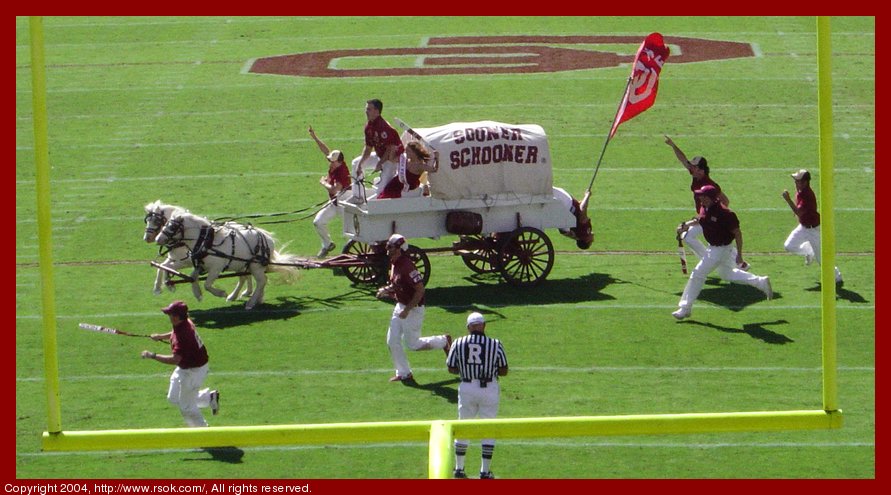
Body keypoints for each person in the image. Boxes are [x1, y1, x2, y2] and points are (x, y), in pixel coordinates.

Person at [673, 185, 773, 320]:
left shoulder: (726, 214)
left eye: (703, 196)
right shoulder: (705, 207)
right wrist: (685, 225)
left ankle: (685, 308)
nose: (700, 198)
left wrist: (740, 255)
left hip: (720, 249)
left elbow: (737, 233)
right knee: (727, 274)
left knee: (698, 274)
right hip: (714, 248)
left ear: (711, 198)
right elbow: (699, 219)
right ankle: (760, 282)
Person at [376, 233, 451, 382]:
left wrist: (407, 309)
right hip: (401, 305)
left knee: (413, 345)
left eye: (391, 246)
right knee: (392, 341)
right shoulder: (394, 262)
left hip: (413, 309)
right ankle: (404, 373)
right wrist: (387, 290)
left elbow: (420, 290)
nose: (387, 248)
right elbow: (397, 283)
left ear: (399, 249)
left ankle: (444, 341)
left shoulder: (407, 266)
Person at [446, 312, 509, 480]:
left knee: (463, 426)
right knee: (488, 428)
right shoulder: (495, 344)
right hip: (489, 388)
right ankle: (484, 471)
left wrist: (466, 367)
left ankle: (459, 469)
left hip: (467, 386)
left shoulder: (458, 343)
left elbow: (451, 368)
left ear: (468, 328)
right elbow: (504, 370)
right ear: (484, 325)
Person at [141, 301, 219, 427]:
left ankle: (203, 432)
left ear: (177, 317)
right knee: (173, 398)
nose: (168, 316)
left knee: (187, 407)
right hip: (186, 367)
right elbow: (174, 333)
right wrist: (160, 336)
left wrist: (153, 356)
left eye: (170, 314)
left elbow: (175, 359)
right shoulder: (185, 322)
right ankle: (208, 398)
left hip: (194, 371)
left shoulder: (183, 336)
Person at [664, 135, 739, 265]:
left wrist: (713, 213)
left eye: (694, 167)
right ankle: (736, 263)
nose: (690, 168)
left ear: (701, 170)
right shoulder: (695, 176)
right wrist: (673, 145)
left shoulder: (710, 185)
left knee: (689, 236)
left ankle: (711, 262)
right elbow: (683, 160)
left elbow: (725, 201)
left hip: (709, 218)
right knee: (719, 246)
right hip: (703, 217)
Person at [782, 169, 843, 286]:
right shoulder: (801, 190)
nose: (795, 182)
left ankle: (837, 276)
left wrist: (788, 200)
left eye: (798, 181)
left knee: (821, 259)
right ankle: (809, 251)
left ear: (805, 182)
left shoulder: (807, 196)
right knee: (789, 246)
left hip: (813, 229)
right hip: (803, 226)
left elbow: (799, 212)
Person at [308, 126, 352, 257]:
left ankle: (352, 256)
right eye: (330, 161)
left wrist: (324, 183)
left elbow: (334, 189)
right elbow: (325, 150)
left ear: (340, 161)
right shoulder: (335, 164)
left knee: (350, 234)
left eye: (333, 162)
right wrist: (314, 137)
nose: (330, 163)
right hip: (334, 202)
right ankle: (327, 244)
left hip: (345, 205)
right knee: (318, 222)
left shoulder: (342, 172)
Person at [350, 99, 405, 202]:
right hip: (381, 156)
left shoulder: (384, 127)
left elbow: (390, 149)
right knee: (356, 163)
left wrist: (380, 163)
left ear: (377, 111)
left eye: (369, 109)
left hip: (392, 159)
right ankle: (359, 196)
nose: (366, 112)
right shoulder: (369, 127)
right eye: (366, 109)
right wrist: (361, 164)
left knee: (382, 187)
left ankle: (375, 202)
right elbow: (368, 147)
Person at [374, 141, 439, 199]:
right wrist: (393, 149)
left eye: (408, 151)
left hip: (408, 185)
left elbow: (434, 170)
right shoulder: (405, 160)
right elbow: (392, 159)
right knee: (387, 192)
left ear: (414, 152)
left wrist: (437, 158)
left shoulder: (420, 165)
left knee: (391, 193)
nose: (406, 153)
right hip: (397, 183)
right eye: (406, 151)